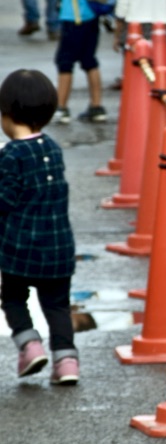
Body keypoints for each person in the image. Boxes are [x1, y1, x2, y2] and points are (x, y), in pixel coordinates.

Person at [0, 68, 79, 384]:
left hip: (20, 250)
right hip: (59, 249)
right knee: (58, 306)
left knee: (13, 298)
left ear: (6, 114)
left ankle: (30, 345)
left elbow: (5, 202)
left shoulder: (11, 155)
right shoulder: (53, 149)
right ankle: (67, 363)